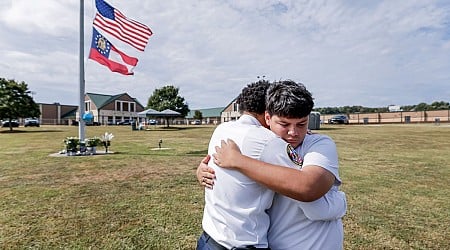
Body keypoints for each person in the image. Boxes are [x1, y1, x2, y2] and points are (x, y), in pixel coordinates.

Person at [198, 80, 346, 250]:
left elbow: (308, 189)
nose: (293, 133)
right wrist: (341, 202)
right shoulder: (268, 143)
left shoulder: (224, 129)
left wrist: (238, 161)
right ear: (267, 118)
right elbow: (309, 193)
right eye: (284, 124)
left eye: (301, 124)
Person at [197, 80, 300, 250]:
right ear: (269, 112)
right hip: (243, 242)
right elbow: (302, 182)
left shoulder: (222, 129)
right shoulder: (269, 141)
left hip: (209, 237)